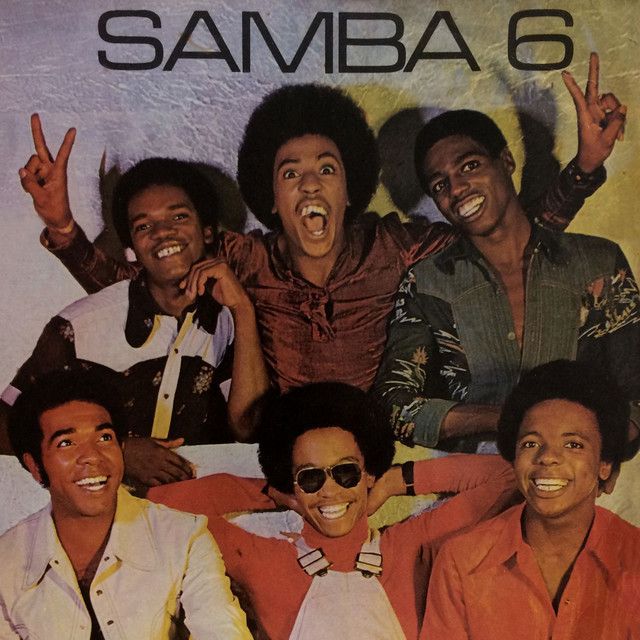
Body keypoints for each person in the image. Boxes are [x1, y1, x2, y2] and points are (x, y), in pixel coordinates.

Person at [18, 54, 615, 392]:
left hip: (376, 460)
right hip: (278, 459)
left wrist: (585, 167)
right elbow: (151, 283)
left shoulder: (394, 246)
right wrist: (64, 230)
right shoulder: (247, 258)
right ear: (272, 198)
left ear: (349, 188)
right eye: (291, 173)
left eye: (326, 169)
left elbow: (505, 238)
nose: (309, 184)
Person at [374, 55, 637, 453]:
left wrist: (591, 454)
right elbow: (397, 405)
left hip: (581, 481)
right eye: (440, 184)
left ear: (506, 161)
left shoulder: (598, 263)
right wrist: (511, 418)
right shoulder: (426, 283)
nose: (457, 189)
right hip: (471, 482)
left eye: (469, 166)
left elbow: (635, 397)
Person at [148, 382, 517, 640]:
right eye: (311, 477)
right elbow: (158, 505)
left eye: (345, 473)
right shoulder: (263, 560)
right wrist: (278, 493)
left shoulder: (409, 547)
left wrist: (393, 481)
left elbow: (507, 475)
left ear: (367, 472)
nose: (329, 490)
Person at [3, 157, 269, 488]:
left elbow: (247, 428)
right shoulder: (81, 324)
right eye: (144, 226)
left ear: (208, 231)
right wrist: (117, 450)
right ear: (131, 247)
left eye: (179, 217)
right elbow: (6, 424)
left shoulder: (228, 321)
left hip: (194, 506)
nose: (162, 233)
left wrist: (243, 309)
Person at [0, 368, 252, 639]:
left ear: (121, 449)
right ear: (35, 467)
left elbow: (223, 632)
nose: (92, 456)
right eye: (66, 443)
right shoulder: (6, 562)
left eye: (104, 438)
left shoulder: (184, 537)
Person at [422, 359, 640, 639]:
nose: (547, 457)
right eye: (531, 443)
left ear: (605, 464)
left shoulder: (635, 557)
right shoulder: (461, 560)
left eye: (573, 444)